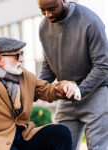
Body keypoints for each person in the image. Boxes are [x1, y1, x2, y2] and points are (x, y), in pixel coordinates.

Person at [0, 37, 80, 150]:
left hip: (24, 135)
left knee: (60, 133)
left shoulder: (25, 76)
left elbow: (47, 90)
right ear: (0, 59)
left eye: (21, 54)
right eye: (16, 56)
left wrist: (66, 86)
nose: (21, 59)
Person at [37, 0, 108, 149]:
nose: (48, 15)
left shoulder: (90, 21)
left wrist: (79, 91)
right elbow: (48, 66)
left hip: (96, 93)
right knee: (60, 145)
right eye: (42, 10)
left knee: (98, 147)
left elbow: (102, 65)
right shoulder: (44, 27)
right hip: (65, 96)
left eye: (51, 9)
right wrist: (35, 88)